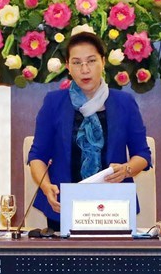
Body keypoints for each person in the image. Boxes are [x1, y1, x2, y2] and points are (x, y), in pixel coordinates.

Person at [28, 32, 151, 232]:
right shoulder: (54, 103)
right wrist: (46, 187)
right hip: (63, 206)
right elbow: (37, 155)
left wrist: (127, 169)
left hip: (113, 208)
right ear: (68, 66)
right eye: (77, 63)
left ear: (103, 62)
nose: (85, 70)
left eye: (91, 61)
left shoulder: (124, 103)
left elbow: (143, 155)